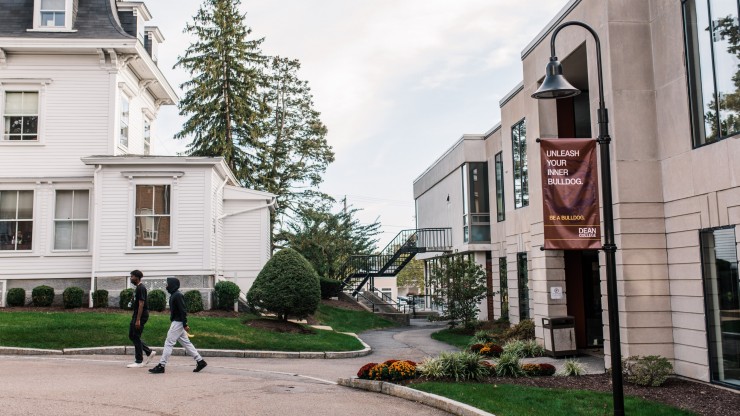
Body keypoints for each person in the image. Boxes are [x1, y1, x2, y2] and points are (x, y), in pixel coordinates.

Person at [149, 277, 207, 374]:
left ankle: (161, 365)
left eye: (167, 284)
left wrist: (184, 324)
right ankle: (200, 361)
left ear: (172, 285)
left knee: (168, 343)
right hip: (178, 322)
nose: (166, 286)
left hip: (178, 323)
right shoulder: (174, 295)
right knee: (186, 343)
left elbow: (183, 311)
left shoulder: (178, 295)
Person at [127, 270, 156, 368]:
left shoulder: (141, 288)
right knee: (132, 335)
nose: (131, 278)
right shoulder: (138, 288)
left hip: (141, 315)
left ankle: (139, 361)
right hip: (137, 314)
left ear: (137, 277)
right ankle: (149, 352)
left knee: (135, 336)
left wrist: (138, 319)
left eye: (132, 276)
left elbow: (141, 304)